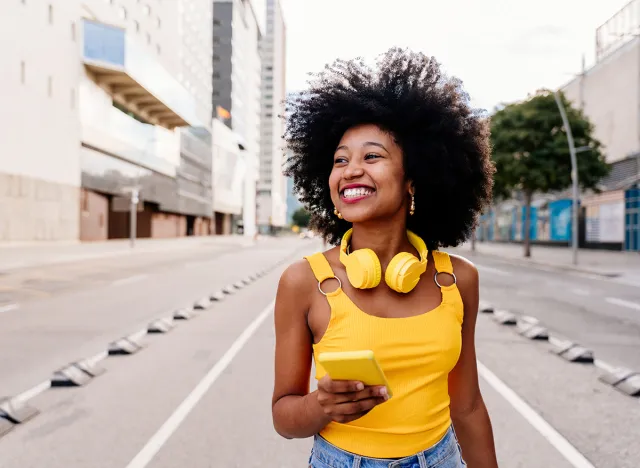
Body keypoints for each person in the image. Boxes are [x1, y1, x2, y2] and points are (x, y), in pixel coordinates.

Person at [272, 48, 498, 467]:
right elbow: (284, 418)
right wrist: (323, 405)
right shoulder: (303, 282)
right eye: (340, 160)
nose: (350, 170)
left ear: (414, 179)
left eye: (371, 156)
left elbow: (466, 407)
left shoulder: (458, 280)